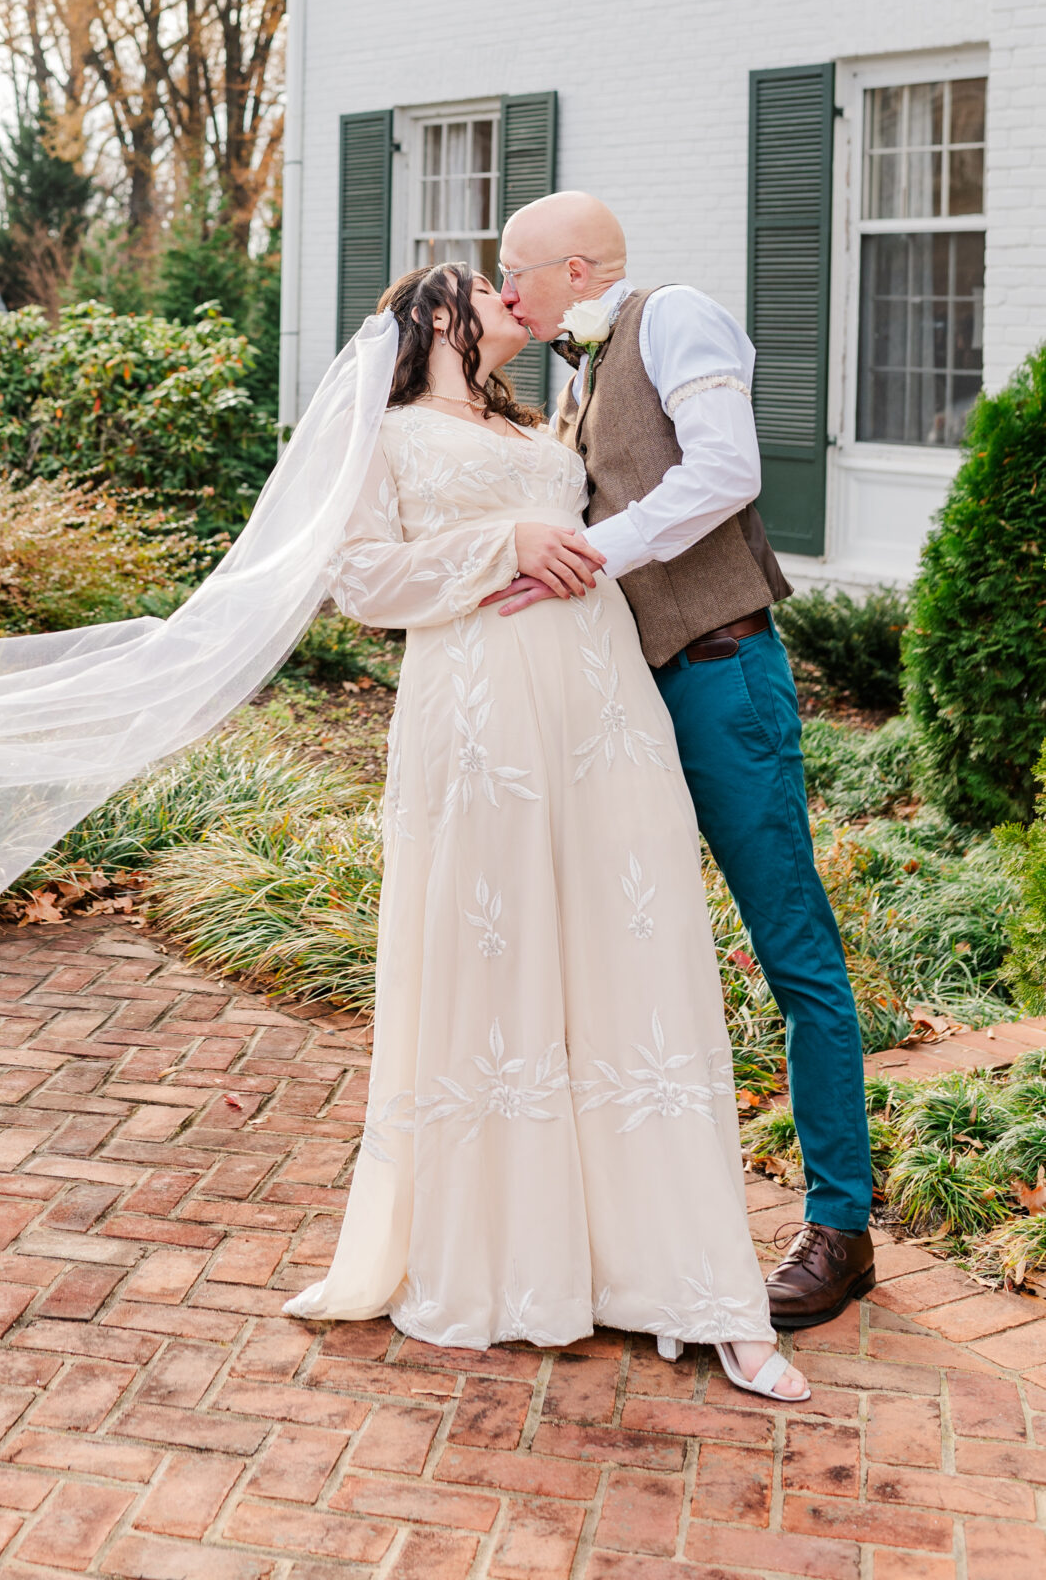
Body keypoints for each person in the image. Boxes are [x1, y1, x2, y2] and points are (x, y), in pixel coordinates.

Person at [278, 261, 807, 1400]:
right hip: (479, 710)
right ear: (432, 316)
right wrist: (502, 548)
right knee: (501, 959)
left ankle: (685, 1275)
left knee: (635, 957)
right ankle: (511, 1260)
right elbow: (360, 580)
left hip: (600, 701)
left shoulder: (544, 419)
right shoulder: (388, 434)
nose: (508, 294)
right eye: (481, 283)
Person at [494, 192, 873, 1333]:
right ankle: (646, 1220)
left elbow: (725, 471)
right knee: (630, 950)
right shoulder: (569, 378)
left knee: (790, 943)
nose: (504, 292)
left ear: (573, 267)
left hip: (719, 675)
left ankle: (840, 1226)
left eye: (514, 272)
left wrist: (587, 555)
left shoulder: (675, 317)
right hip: (624, 696)